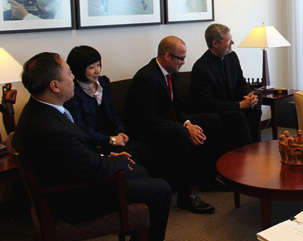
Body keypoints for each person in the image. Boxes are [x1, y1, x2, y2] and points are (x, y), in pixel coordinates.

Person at [12, 52, 171, 241]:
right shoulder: (51, 129)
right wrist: (118, 160)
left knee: (139, 171)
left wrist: (107, 158)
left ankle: (136, 229)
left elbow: (74, 157)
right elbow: (92, 168)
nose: (73, 77)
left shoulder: (37, 110)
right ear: (54, 86)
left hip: (72, 178)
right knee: (161, 189)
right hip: (76, 199)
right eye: (69, 73)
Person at [123, 36, 223, 214]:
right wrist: (184, 128)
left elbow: (178, 107)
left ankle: (207, 178)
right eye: (181, 58)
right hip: (146, 129)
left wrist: (187, 123)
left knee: (212, 120)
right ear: (167, 56)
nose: (184, 62)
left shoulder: (172, 72)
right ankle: (185, 196)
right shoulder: (146, 77)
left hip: (168, 123)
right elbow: (147, 118)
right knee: (181, 134)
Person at [64, 45, 151, 166]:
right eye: (91, 67)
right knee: (131, 157)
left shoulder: (103, 82)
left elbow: (112, 112)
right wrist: (110, 140)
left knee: (144, 151)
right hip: (93, 142)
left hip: (112, 135)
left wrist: (120, 132)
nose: (97, 71)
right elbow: (80, 127)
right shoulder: (72, 92)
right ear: (79, 69)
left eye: (98, 65)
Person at [189, 23, 262, 151]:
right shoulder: (201, 67)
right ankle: (246, 153)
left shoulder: (232, 57)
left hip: (232, 104)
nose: (232, 42)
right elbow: (207, 103)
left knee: (254, 109)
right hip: (214, 109)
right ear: (215, 44)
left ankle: (256, 148)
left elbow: (241, 83)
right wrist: (239, 105)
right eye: (228, 41)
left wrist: (249, 95)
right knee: (237, 116)